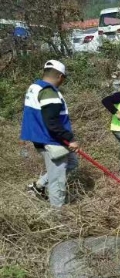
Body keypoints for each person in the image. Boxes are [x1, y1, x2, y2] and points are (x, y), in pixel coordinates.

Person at [21, 60, 79, 208]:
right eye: (64, 78)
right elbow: (52, 122)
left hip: (45, 138)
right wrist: (70, 138)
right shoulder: (49, 92)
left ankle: (38, 185)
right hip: (52, 141)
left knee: (72, 163)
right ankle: (56, 218)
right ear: (60, 76)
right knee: (57, 181)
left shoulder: (35, 87)